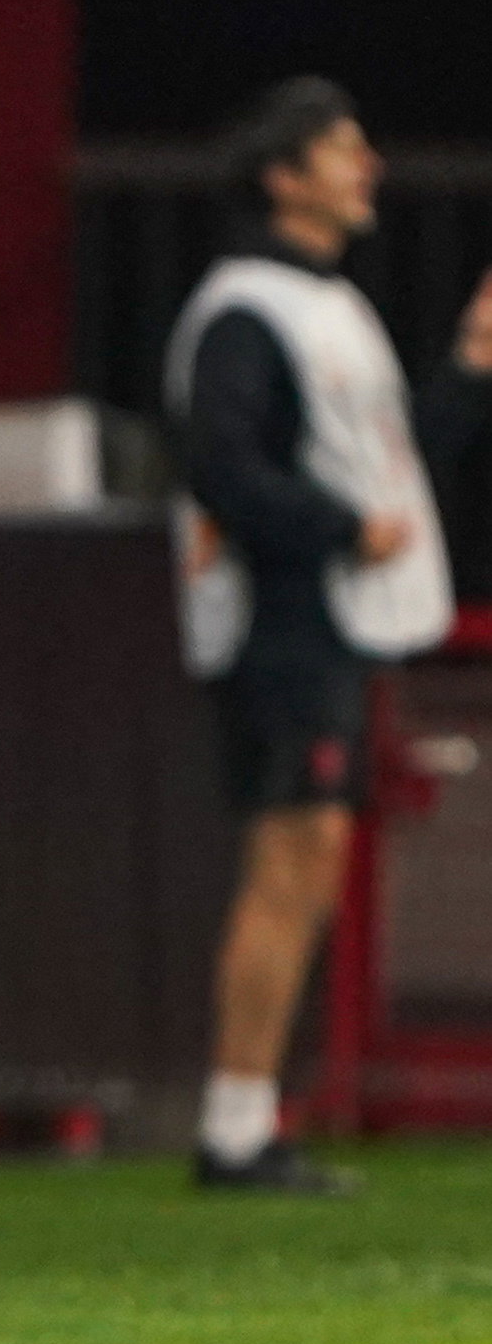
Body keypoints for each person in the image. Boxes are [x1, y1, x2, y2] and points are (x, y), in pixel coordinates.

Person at [168, 76, 492, 1193]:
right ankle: (231, 1122)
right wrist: (344, 525)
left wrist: (469, 369)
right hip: (283, 619)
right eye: (343, 150)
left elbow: (391, 466)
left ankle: (251, 1113)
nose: (368, 169)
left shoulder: (327, 306)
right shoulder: (245, 307)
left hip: (331, 619)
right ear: (283, 176)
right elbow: (222, 464)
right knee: (285, 862)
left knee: (311, 867)